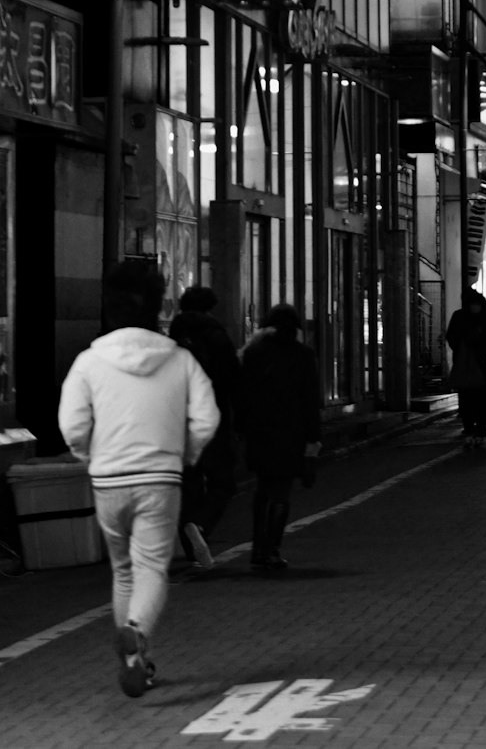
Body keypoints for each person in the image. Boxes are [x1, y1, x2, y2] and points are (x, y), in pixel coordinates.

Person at [58, 261, 220, 698]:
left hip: (108, 480)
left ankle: (134, 660)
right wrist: (185, 452)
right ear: (157, 306)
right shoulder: (180, 359)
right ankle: (136, 633)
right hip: (160, 478)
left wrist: (90, 454)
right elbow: (207, 417)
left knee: (124, 571)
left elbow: (72, 424)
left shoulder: (88, 361)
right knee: (151, 567)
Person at [236, 302, 322, 573]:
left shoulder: (254, 353)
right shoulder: (303, 355)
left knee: (262, 489)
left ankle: (258, 549)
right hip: (291, 432)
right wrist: (313, 438)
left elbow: (242, 396)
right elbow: (310, 401)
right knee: (281, 491)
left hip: (259, 431)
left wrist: (242, 428)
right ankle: (272, 550)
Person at [169, 285, 241, 568]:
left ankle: (191, 545)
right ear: (210, 307)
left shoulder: (172, 338)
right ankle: (200, 525)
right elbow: (233, 379)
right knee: (223, 481)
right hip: (212, 417)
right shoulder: (216, 336)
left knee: (188, 482)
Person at [446, 288, 486, 448]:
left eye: (477, 305)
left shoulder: (461, 317)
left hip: (474, 366)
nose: (475, 308)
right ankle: (472, 430)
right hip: (471, 366)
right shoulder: (481, 319)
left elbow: (452, 337)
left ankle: (477, 430)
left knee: (475, 400)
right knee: (472, 400)